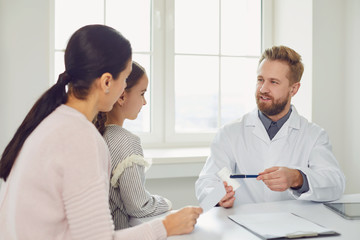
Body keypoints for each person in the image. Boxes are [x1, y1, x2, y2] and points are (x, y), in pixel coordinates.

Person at [0, 24, 202, 240]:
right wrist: (166, 226)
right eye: (125, 78)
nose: (124, 86)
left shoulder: (50, 121)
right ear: (107, 81)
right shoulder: (81, 136)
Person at [195, 45, 345, 208]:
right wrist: (218, 196)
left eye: (273, 82)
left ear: (293, 89)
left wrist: (297, 178)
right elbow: (206, 185)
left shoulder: (314, 135)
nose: (263, 89)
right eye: (260, 80)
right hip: (241, 226)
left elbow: (335, 185)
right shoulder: (230, 133)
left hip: (294, 228)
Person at [94, 61, 171, 230]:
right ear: (122, 96)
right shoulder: (126, 141)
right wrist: (166, 203)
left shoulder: (94, 134)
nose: (144, 102)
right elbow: (139, 206)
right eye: (142, 93)